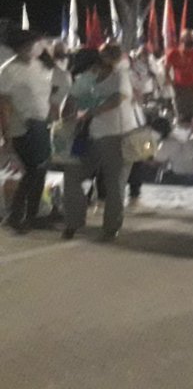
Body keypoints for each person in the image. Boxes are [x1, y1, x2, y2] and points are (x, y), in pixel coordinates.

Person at [61, 44, 138, 241]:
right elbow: (69, 102)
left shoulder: (119, 77)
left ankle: (111, 228)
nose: (90, 72)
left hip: (118, 136)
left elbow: (117, 98)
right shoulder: (86, 78)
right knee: (72, 174)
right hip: (87, 137)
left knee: (114, 183)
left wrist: (90, 112)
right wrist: (69, 115)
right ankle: (73, 222)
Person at [0, 31, 53, 233]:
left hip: (41, 123)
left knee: (40, 170)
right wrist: (6, 133)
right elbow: (4, 105)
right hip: (23, 126)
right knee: (33, 170)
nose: (34, 48)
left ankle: (32, 214)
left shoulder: (39, 66)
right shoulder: (9, 71)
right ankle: (17, 215)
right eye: (30, 45)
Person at [165, 28, 193, 120]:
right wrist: (170, 81)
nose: (191, 40)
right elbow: (166, 69)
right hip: (180, 89)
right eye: (188, 38)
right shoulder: (174, 53)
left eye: (192, 38)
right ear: (182, 39)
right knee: (181, 116)